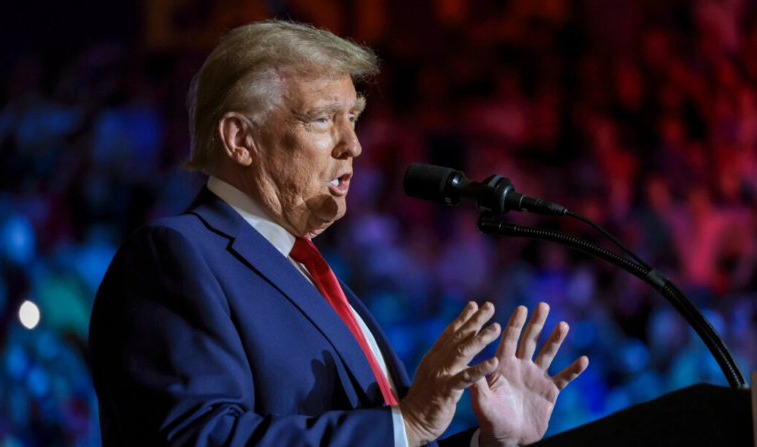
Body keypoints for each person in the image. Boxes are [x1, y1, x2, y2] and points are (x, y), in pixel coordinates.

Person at [89, 20, 588, 447]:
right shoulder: (176, 257)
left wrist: (488, 442)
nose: (353, 145)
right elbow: (197, 438)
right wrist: (406, 424)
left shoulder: (312, 274)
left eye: (353, 118)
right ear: (241, 140)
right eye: (323, 119)